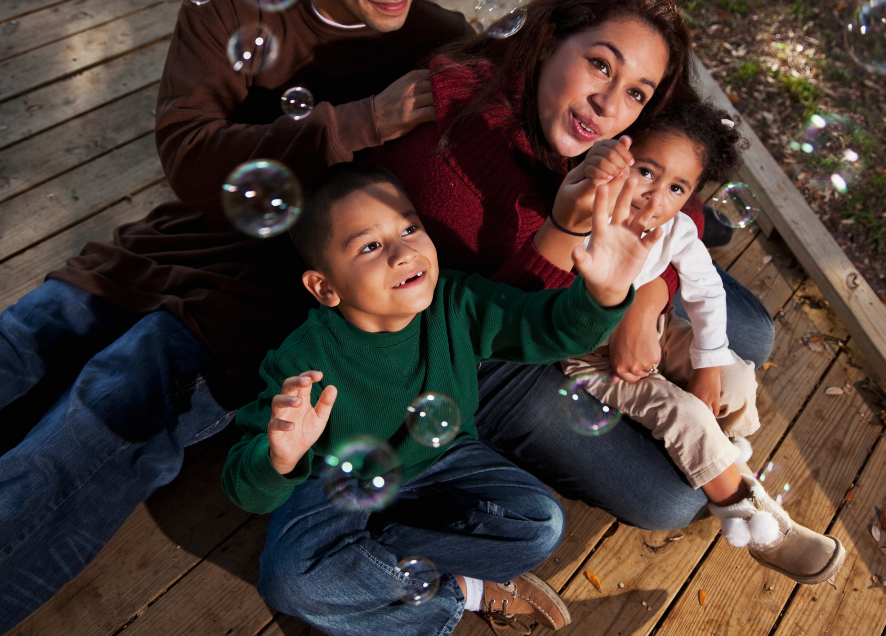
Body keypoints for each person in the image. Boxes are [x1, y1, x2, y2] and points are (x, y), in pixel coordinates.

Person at [0, 0, 472, 626]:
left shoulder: (441, 44)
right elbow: (187, 155)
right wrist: (356, 124)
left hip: (256, 305)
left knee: (93, 420)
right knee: (21, 343)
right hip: (161, 249)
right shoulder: (231, 0)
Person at [369, 0, 776, 529]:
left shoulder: (620, 128)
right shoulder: (447, 163)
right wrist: (563, 229)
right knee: (671, 503)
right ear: (547, 41)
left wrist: (646, 297)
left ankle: (674, 409)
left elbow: (687, 206)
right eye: (600, 64)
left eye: (637, 91)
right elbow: (477, 329)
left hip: (603, 287)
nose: (609, 104)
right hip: (490, 348)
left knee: (753, 331)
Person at [223, 161, 664, 634]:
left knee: (541, 525)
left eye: (409, 228)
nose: (403, 252)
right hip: (336, 481)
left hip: (441, 458)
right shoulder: (302, 360)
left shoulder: (456, 301)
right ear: (324, 287)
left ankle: (361, 564)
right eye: (370, 245)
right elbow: (245, 487)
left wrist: (603, 293)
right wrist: (279, 459)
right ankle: (465, 591)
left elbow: (546, 327)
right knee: (289, 582)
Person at [563, 102, 844, 585]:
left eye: (677, 188)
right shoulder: (586, 212)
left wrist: (707, 364)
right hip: (591, 356)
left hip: (655, 331)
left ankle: (726, 454)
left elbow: (707, 291)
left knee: (735, 374)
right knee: (686, 413)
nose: (655, 197)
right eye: (645, 172)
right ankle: (758, 524)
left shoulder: (678, 229)